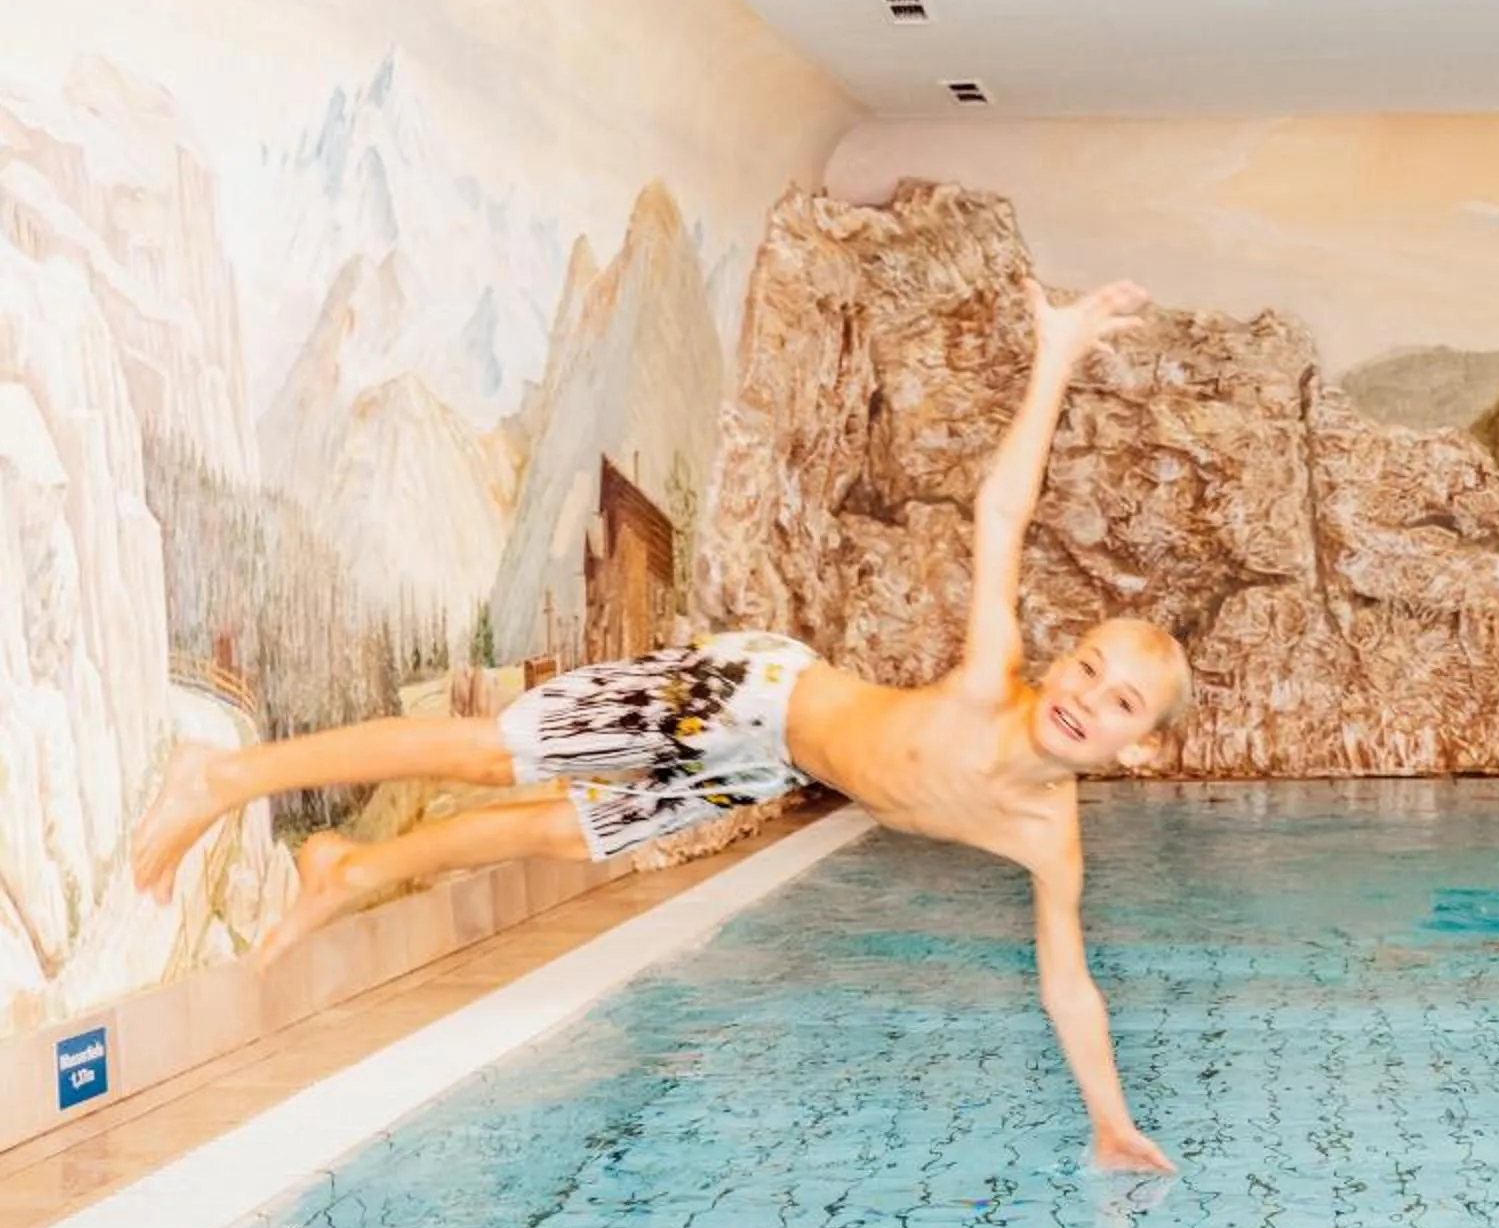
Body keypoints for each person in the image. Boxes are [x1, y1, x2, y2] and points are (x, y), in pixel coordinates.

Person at [129, 278, 1189, 1173]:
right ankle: (220, 779)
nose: (1088, 694)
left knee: (561, 834)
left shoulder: (1049, 840)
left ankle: (347, 872)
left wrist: (1109, 1118)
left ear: (1138, 748)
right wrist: (1055, 351)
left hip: (763, 765)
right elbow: (1003, 508)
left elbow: (1069, 981)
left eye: (1121, 703)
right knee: (490, 750)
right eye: (1089, 664)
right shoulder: (988, 682)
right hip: (751, 694)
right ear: (1062, 657)